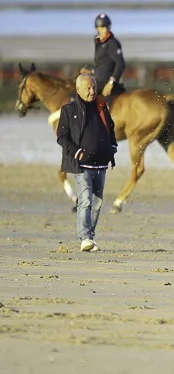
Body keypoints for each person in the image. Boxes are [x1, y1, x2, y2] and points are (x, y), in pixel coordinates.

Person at [56, 74, 117, 252]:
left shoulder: (102, 107)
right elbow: (62, 137)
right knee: (85, 201)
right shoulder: (68, 110)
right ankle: (84, 238)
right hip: (81, 165)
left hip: (101, 164)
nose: (92, 91)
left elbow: (111, 130)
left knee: (97, 203)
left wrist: (112, 147)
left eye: (93, 87)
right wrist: (77, 151)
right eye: (88, 88)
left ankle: (90, 236)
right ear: (78, 90)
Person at [80, 13, 126, 99]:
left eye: (106, 27)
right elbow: (104, 64)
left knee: (77, 93)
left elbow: (120, 64)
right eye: (102, 27)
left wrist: (111, 83)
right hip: (97, 79)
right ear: (97, 28)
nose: (105, 30)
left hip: (105, 81)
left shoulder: (112, 43)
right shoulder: (99, 43)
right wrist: (92, 72)